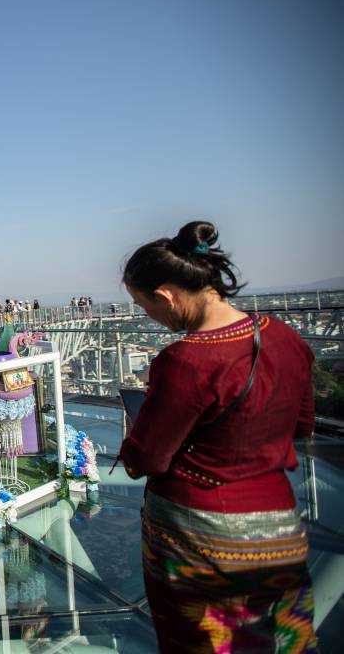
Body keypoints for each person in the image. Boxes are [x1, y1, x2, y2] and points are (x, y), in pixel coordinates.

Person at [117, 221, 317, 652]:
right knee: (283, 639)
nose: (148, 315)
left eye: (144, 305)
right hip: (279, 528)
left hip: (198, 536)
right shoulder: (285, 338)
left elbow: (147, 459)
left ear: (166, 295)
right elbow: (301, 425)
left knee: (204, 642)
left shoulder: (185, 361)